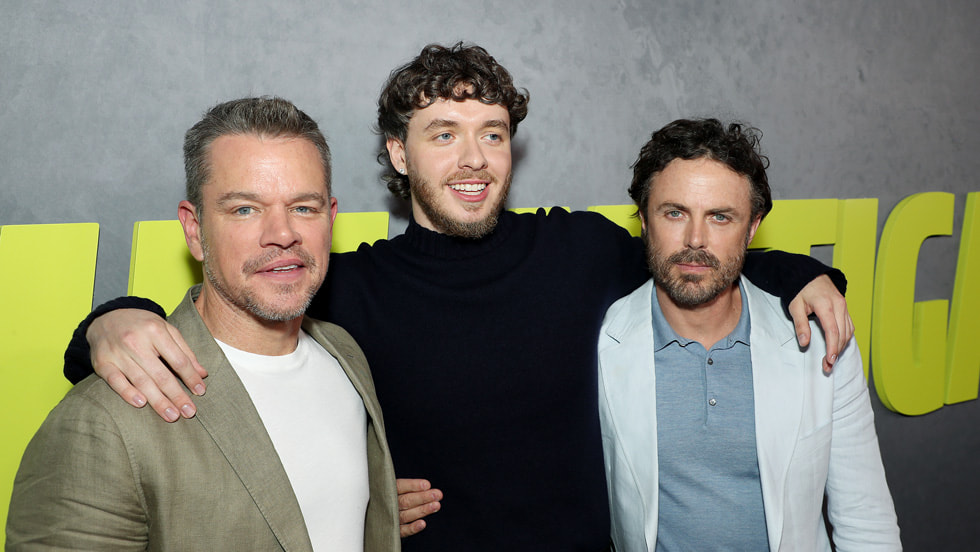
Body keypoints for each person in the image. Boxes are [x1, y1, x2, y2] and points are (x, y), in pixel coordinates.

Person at [63, 44, 853, 551]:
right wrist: (110, 322)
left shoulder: (578, 250)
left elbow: (697, 259)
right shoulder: (347, 285)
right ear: (398, 153)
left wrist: (802, 275)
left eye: (493, 132)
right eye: (444, 133)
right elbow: (233, 309)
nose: (475, 158)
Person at [7, 97, 400, 551]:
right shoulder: (103, 421)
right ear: (194, 230)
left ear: (330, 219)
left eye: (304, 208)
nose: (282, 233)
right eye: (245, 210)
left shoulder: (343, 354)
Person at [598, 118, 900, 551]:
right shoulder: (600, 343)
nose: (695, 239)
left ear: (752, 227)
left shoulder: (819, 340)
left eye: (720, 217)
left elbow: (865, 520)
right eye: (675, 212)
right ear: (644, 219)